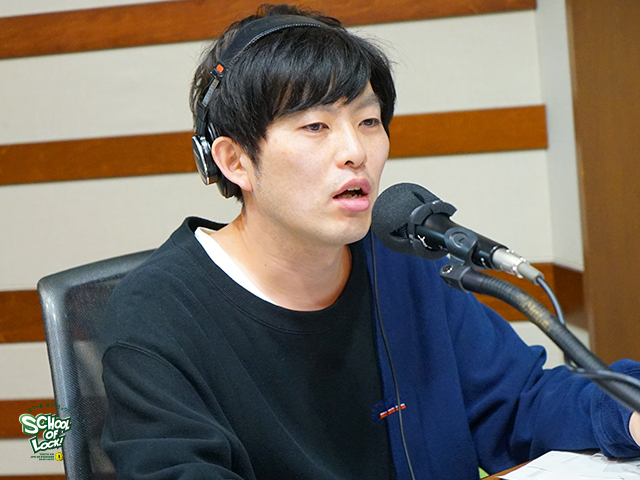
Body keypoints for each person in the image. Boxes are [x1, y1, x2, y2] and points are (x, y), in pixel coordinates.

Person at [100, 4, 640, 479]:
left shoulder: (403, 260)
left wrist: (629, 415)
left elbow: (519, 402)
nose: (356, 152)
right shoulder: (158, 313)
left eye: (369, 121)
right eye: (315, 126)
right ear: (234, 160)